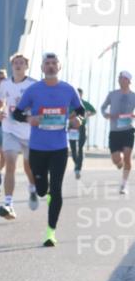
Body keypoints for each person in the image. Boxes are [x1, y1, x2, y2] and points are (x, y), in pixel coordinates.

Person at [12, 52, 85, 246]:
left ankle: (50, 232)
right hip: (37, 148)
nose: (51, 66)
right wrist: (30, 119)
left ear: (59, 67)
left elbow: (81, 111)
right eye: (47, 63)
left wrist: (78, 120)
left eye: (54, 63)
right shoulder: (33, 90)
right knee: (43, 190)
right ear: (42, 68)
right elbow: (17, 114)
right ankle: (45, 190)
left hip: (59, 148)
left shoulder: (68, 90)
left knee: (57, 189)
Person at [0, 53, 39, 220]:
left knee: (29, 167)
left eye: (21, 63)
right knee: (10, 164)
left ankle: (33, 188)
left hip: (29, 132)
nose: (18, 65)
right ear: (12, 66)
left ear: (26, 66)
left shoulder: (33, 84)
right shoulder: (5, 84)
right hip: (10, 129)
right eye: (15, 63)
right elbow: (1, 102)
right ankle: (9, 204)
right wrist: (0, 111)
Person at [101, 70, 135, 195]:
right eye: (119, 78)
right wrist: (106, 115)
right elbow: (103, 107)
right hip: (115, 131)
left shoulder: (133, 96)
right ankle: (118, 163)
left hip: (128, 130)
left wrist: (133, 115)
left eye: (123, 78)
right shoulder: (112, 94)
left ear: (129, 81)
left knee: (127, 157)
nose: (120, 80)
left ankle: (124, 185)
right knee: (116, 160)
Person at [70, 87, 97, 179]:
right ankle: (77, 162)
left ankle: (78, 169)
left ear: (81, 95)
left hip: (81, 127)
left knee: (80, 147)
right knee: (73, 149)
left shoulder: (85, 104)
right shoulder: (70, 104)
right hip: (72, 128)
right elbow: (66, 114)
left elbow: (94, 111)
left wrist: (87, 114)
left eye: (79, 94)